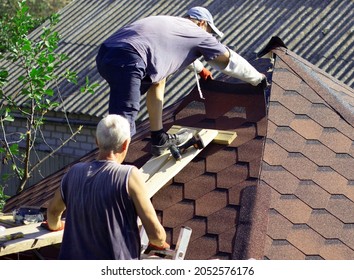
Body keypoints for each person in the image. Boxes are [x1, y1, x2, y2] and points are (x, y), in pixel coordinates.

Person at [96, 6, 265, 156]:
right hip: (128, 58)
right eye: (209, 32)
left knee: (157, 80)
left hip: (106, 54)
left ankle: (158, 137)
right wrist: (258, 78)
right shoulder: (198, 33)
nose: (210, 37)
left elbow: (181, 52)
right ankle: (109, 173)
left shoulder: (172, 24)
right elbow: (228, 60)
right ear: (201, 23)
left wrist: (201, 70)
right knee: (122, 124)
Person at [45, 114, 169, 260]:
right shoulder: (129, 175)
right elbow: (155, 234)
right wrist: (161, 244)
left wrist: (57, 226)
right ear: (125, 144)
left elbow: (52, 214)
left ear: (97, 141)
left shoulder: (74, 172)